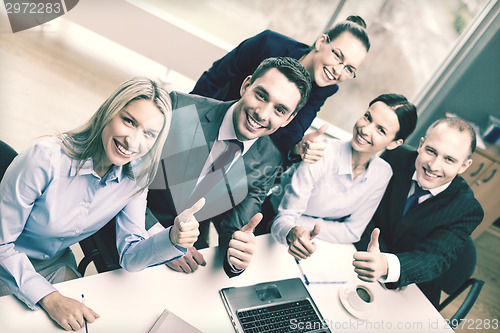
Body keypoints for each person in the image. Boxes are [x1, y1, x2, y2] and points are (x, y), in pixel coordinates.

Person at [0, 78, 204, 331]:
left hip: (53, 263)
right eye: (128, 121)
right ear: (108, 112)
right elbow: (1, 245)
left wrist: (172, 239)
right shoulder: (44, 159)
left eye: (149, 134)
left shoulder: (135, 177)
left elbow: (130, 255)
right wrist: (51, 298)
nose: (133, 141)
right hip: (6, 263)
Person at [146, 57, 312, 277]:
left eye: (279, 110)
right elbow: (121, 175)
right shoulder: (181, 108)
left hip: (187, 248)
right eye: (261, 96)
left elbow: (237, 227)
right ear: (246, 86)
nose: (262, 114)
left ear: (289, 119)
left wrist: (238, 257)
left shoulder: (270, 161)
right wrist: (163, 241)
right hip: (133, 226)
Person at [191, 16, 370, 163]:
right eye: (338, 56)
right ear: (321, 42)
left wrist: (298, 148)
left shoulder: (324, 89)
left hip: (243, 145)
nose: (338, 71)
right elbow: (216, 77)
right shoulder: (268, 43)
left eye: (349, 69)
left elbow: (290, 133)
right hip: (212, 119)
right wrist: (187, 119)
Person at [352, 117, 484, 307]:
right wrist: (376, 258)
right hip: (362, 255)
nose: (434, 166)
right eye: (431, 151)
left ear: (464, 166)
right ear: (421, 145)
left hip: (412, 284)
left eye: (449, 159)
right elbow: (365, 210)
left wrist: (388, 266)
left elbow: (435, 257)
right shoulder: (395, 158)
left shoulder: (467, 209)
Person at [270, 94, 417, 260]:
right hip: (272, 228)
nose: (365, 129)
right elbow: (283, 220)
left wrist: (303, 226)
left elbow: (353, 232)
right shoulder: (321, 153)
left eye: (380, 130)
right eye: (367, 117)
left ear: (394, 143)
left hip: (314, 243)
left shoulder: (383, 173)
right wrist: (295, 229)